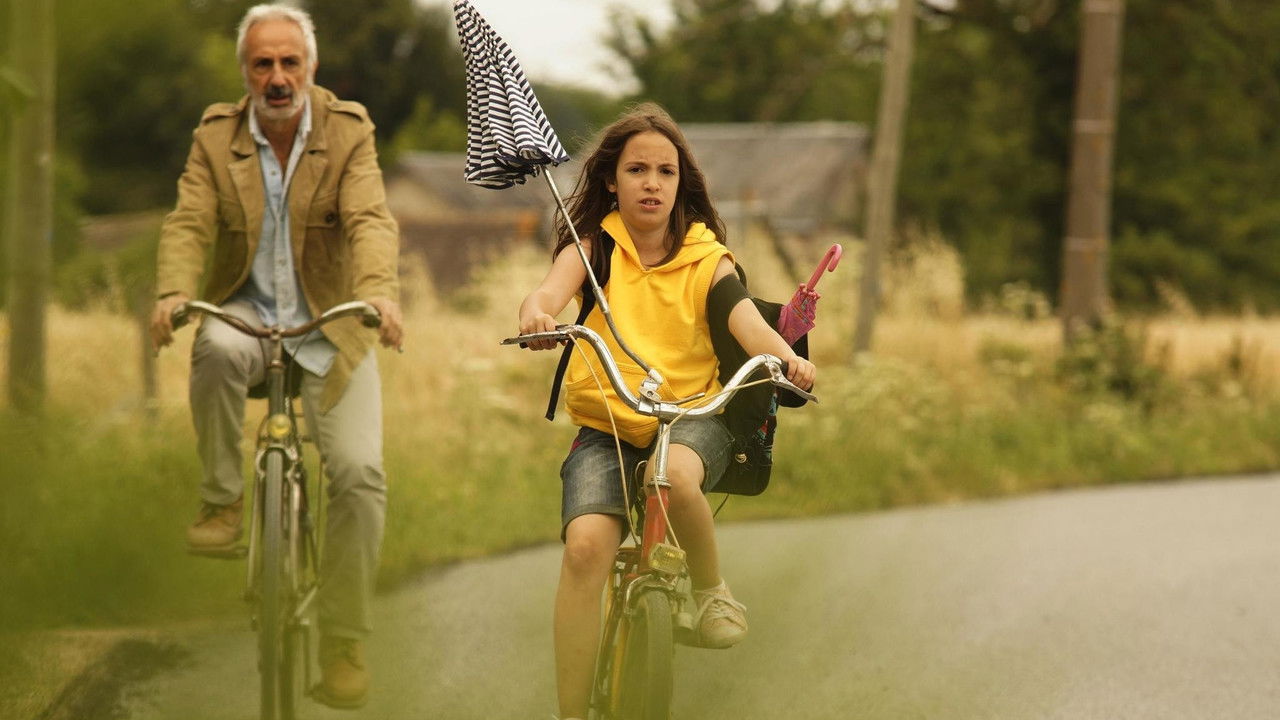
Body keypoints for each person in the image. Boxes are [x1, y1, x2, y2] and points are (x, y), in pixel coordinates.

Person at [517, 103, 816, 720]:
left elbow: (745, 320)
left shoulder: (707, 257)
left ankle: (710, 593)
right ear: (611, 179)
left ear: (682, 184)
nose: (651, 183)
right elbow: (548, 290)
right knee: (584, 552)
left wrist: (787, 358)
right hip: (607, 425)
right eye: (636, 170)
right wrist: (538, 314)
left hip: (690, 420)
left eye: (665, 171)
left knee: (675, 477)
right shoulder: (594, 245)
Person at [148, 4, 403, 710]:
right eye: (263, 63)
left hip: (333, 324)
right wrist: (173, 291)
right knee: (215, 344)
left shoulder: (348, 132)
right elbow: (190, 221)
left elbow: (370, 220)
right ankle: (224, 500)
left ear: (311, 67)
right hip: (248, 312)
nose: (278, 76)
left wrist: (380, 296)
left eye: (291, 62)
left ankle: (344, 640)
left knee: (357, 474)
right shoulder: (216, 137)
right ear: (245, 73)